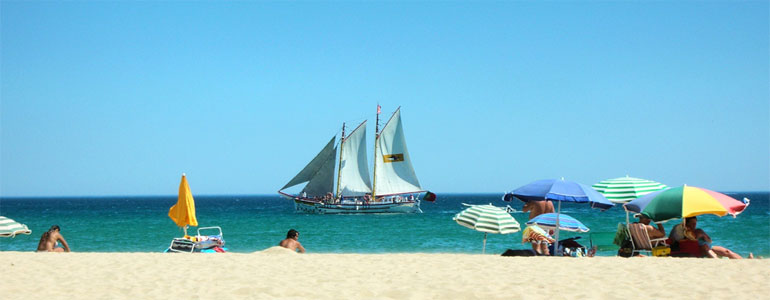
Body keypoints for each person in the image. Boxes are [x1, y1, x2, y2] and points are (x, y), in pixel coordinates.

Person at [669, 216, 750, 259]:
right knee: (705, 247)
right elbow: (676, 241)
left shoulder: (698, 230)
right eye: (692, 223)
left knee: (727, 251)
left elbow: (710, 241)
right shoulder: (680, 230)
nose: (694, 225)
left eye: (695, 223)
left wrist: (703, 236)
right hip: (701, 249)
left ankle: (744, 261)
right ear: (687, 223)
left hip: (708, 247)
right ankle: (717, 260)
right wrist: (692, 237)